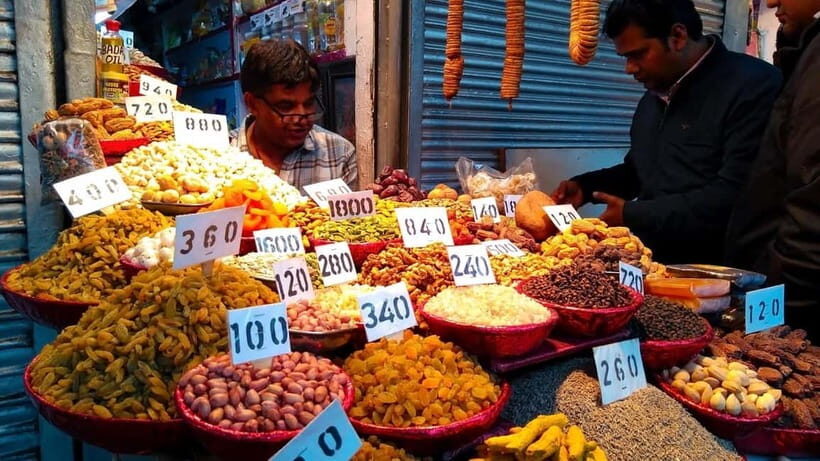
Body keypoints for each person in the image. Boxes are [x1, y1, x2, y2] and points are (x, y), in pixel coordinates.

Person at [550, 0, 781, 264]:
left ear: (678, 36)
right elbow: (640, 171)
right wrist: (586, 187)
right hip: (655, 266)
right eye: (625, 58)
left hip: (719, 270)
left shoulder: (753, 85)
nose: (629, 68)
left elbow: (736, 194)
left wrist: (633, 214)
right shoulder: (654, 97)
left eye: (638, 54)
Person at [725, 0, 820, 340]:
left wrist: (777, 310)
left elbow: (812, 207)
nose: (771, 3)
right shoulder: (806, 51)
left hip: (796, 310)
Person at [233, 39, 358, 191]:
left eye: (308, 103)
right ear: (252, 103)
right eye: (286, 106)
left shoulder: (340, 155)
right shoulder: (217, 155)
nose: (302, 117)